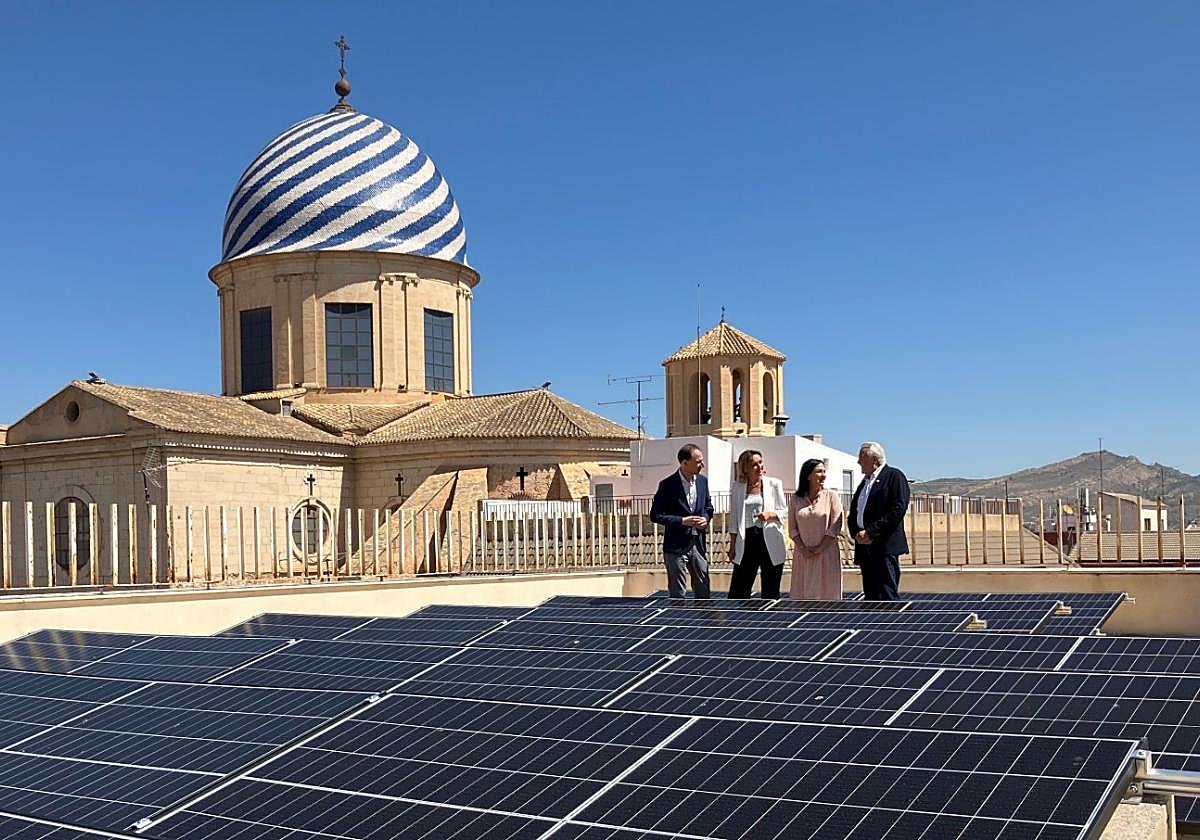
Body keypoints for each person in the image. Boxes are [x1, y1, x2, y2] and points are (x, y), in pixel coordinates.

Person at [847, 441, 910, 601]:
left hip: (883, 547)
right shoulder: (865, 482)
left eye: (862, 457)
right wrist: (856, 533)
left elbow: (897, 509)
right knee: (871, 596)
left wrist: (871, 532)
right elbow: (855, 511)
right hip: (865, 549)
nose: (858, 462)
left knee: (886, 594)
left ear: (874, 459)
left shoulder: (894, 476)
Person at [650, 443, 714, 598]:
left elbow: (708, 507)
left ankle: (704, 621)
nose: (702, 465)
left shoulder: (702, 482)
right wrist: (682, 520)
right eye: (698, 462)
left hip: (697, 543)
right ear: (685, 463)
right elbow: (655, 515)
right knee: (678, 592)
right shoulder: (667, 485)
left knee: (703, 588)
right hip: (675, 547)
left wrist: (705, 519)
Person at [726, 450, 788, 599]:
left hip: (769, 540)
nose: (759, 467)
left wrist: (770, 515)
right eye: (754, 464)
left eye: (760, 462)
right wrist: (732, 546)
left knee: (770, 590)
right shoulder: (738, 488)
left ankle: (771, 620)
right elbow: (734, 519)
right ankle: (739, 620)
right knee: (739, 590)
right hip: (747, 540)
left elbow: (785, 511)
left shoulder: (774, 484)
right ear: (745, 468)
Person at [788, 458, 845, 600]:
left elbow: (835, 526)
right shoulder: (796, 498)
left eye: (824, 472)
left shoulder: (831, 496)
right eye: (819, 472)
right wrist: (804, 550)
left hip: (826, 555)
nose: (823, 475)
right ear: (808, 475)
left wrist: (818, 550)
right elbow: (792, 529)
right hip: (803, 556)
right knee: (803, 597)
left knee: (828, 596)